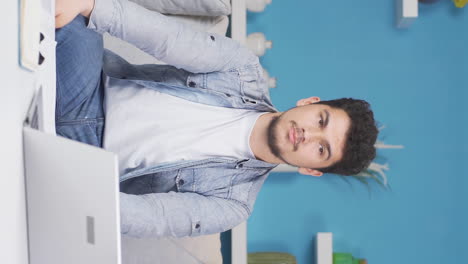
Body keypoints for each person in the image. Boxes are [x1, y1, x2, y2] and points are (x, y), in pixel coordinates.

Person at [55, 0, 378, 238]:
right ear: (310, 102)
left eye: (322, 150)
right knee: (74, 20)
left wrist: (75, 194)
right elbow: (168, 39)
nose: (308, 135)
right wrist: (90, 5)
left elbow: (148, 216)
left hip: (88, 159)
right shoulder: (240, 69)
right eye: (321, 121)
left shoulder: (231, 206)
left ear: (311, 170)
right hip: (86, 86)